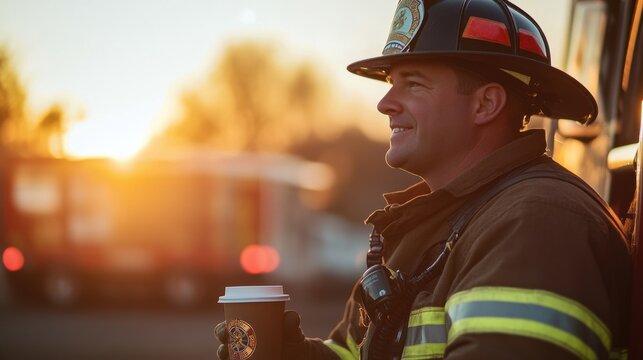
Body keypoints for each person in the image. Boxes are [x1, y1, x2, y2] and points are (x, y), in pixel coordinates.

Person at [215, 0, 633, 359]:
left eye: (413, 84)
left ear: (486, 103)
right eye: (391, 84)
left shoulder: (535, 224)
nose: (384, 104)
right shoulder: (436, 224)